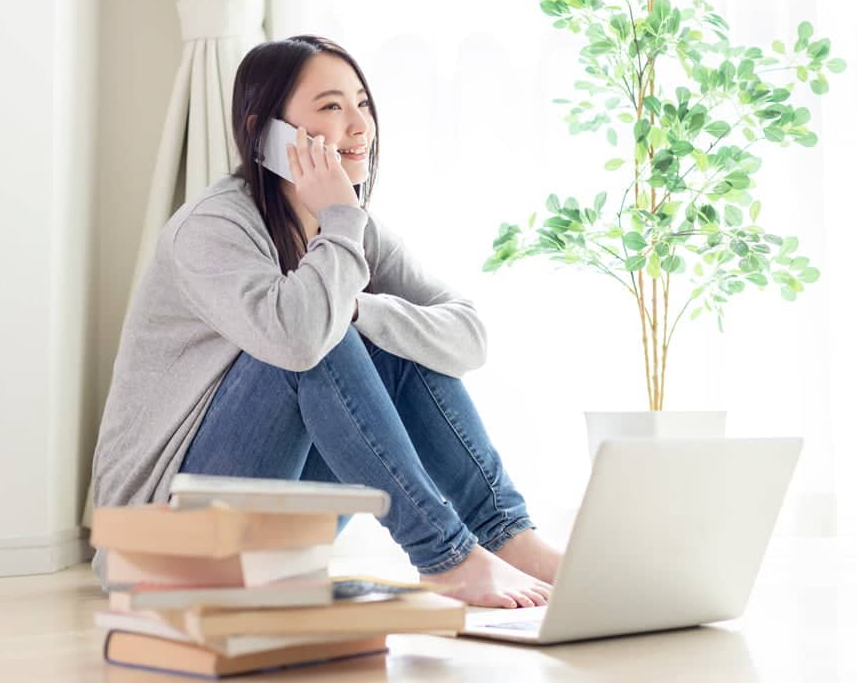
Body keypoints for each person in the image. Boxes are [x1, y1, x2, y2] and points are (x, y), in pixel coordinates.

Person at [91, 35, 562, 608]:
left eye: (362, 104)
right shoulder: (212, 228)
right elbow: (300, 337)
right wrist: (342, 234)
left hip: (277, 535)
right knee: (316, 332)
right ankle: (446, 556)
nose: (360, 126)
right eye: (333, 107)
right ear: (266, 132)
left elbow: (467, 338)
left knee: (379, 330)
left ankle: (506, 535)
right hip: (160, 541)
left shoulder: (355, 231)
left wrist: (364, 305)